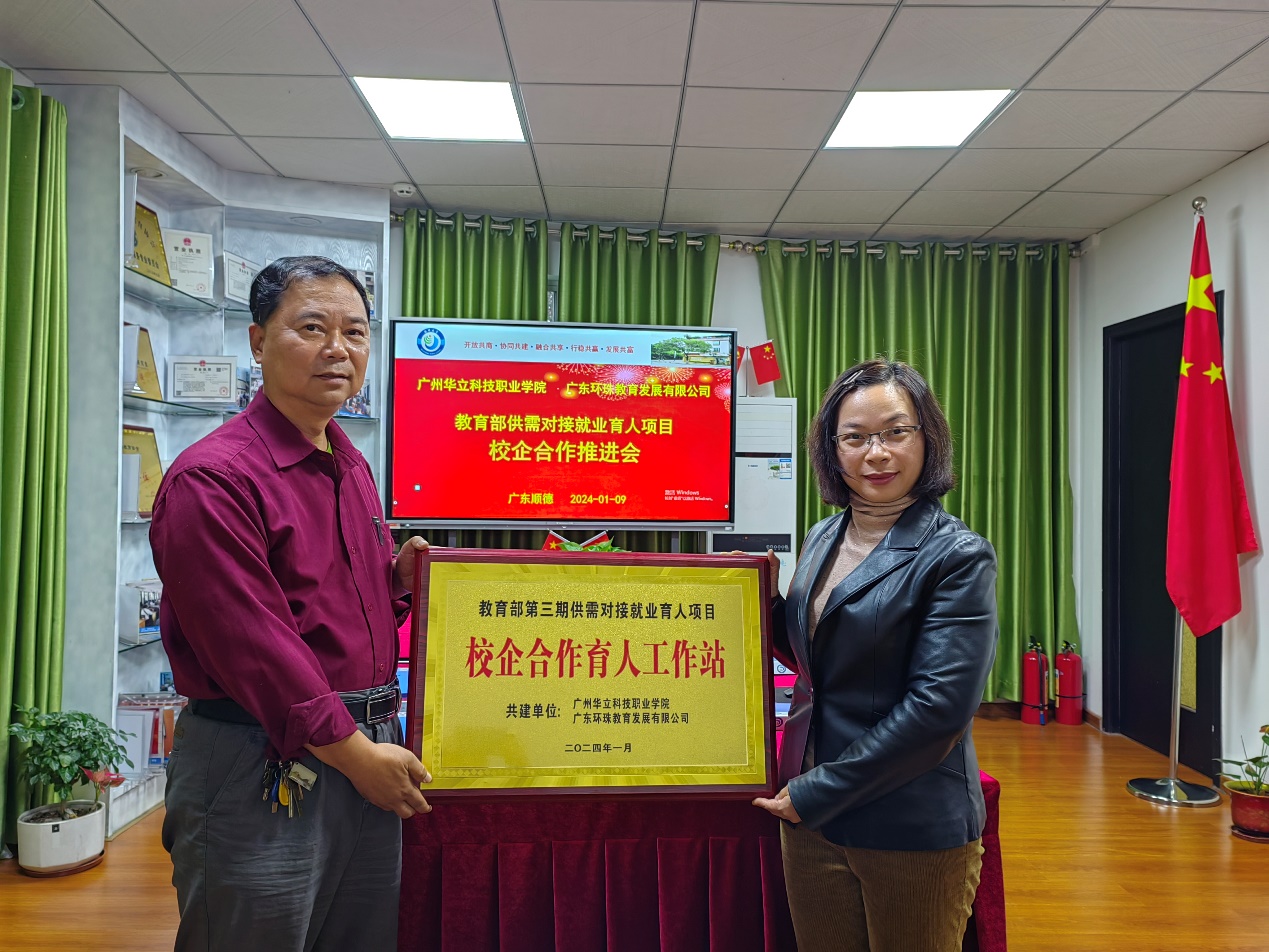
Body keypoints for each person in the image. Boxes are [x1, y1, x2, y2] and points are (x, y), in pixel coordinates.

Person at [151, 256, 432, 951]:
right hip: (261, 756)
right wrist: (355, 756)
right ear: (257, 341)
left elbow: (327, 606)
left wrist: (395, 584)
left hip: (366, 746)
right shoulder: (213, 479)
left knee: (359, 936)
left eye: (355, 332)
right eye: (311, 328)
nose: (338, 349)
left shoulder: (349, 462)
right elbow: (256, 648)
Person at [752, 358, 997, 952]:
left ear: (927, 437)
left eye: (895, 432)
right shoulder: (824, 535)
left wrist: (817, 790)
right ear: (832, 450)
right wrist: (761, 602)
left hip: (908, 820)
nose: (877, 453)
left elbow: (938, 710)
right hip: (811, 814)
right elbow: (820, 658)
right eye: (855, 438)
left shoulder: (957, 556)